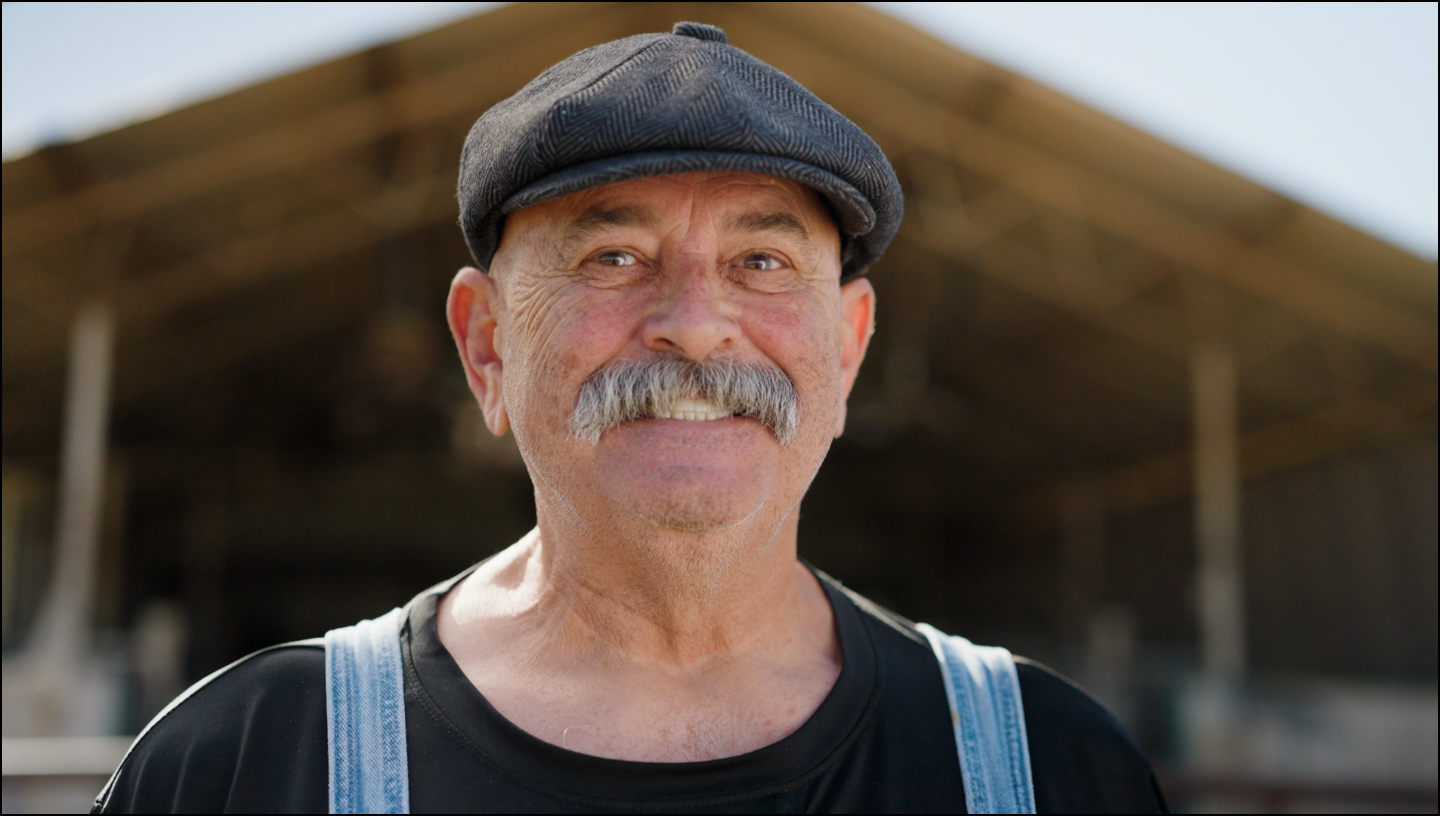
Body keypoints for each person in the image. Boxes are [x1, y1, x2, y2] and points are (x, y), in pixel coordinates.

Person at [94, 22, 1166, 814]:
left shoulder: (1049, 768)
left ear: (846, 349)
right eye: (614, 257)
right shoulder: (243, 768)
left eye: (762, 261)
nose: (695, 326)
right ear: (487, 346)